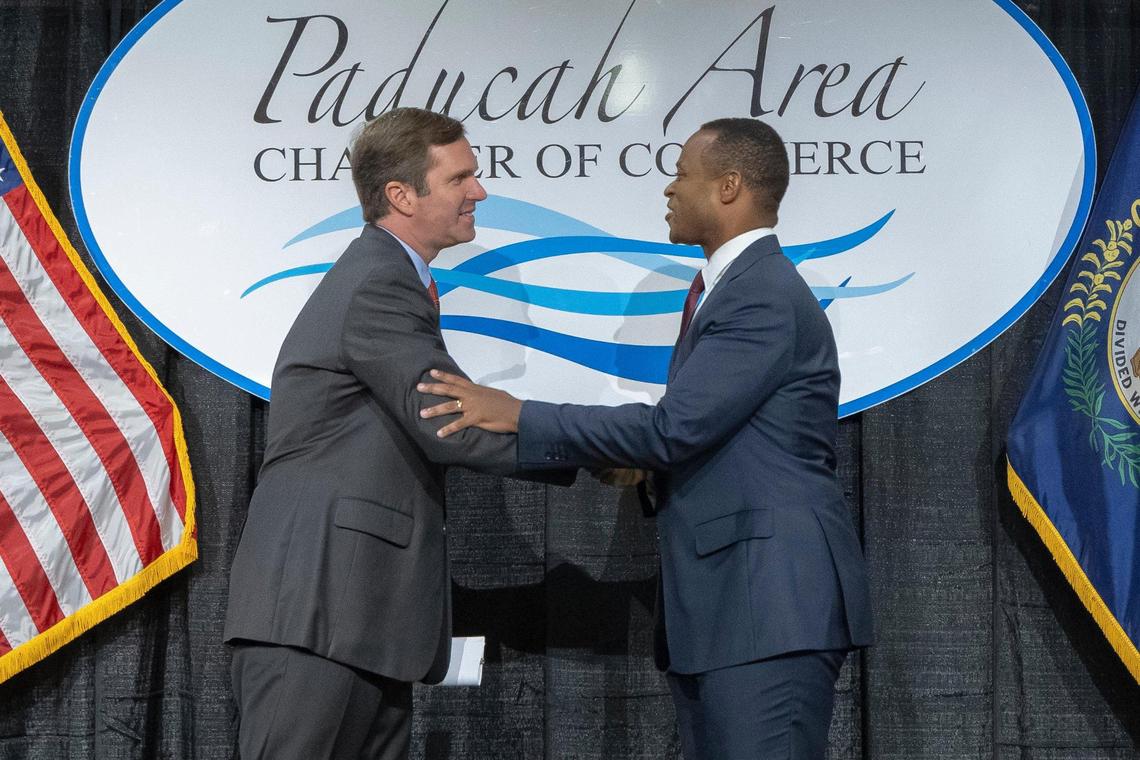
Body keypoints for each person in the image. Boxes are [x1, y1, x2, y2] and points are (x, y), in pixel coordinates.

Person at [418, 118, 874, 759]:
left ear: (729, 187)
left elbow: (675, 429)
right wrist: (642, 466)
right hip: (730, 611)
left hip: (769, 607)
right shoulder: (732, 292)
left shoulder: (761, 296)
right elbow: (711, 438)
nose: (669, 187)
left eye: (683, 174)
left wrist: (517, 412)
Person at [223, 107, 570, 759]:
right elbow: (450, 420)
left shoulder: (390, 278)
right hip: (322, 613)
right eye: (461, 177)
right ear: (401, 195)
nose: (480, 191)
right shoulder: (379, 282)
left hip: (361, 617)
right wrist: (600, 446)